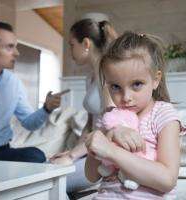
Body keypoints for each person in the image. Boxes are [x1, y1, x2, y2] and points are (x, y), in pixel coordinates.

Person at [85, 32, 186, 199]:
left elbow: (167, 180)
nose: (126, 97)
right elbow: (91, 176)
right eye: (115, 87)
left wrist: (111, 151)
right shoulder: (111, 118)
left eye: (137, 84)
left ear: (156, 80)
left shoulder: (163, 115)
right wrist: (103, 139)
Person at [0, 22, 65, 163]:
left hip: (2, 152)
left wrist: (46, 108)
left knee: (35, 155)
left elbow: (29, 123)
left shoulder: (13, 82)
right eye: (10, 47)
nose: (17, 53)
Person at [49, 18, 119, 193]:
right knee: (45, 168)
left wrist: (73, 156)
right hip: (90, 151)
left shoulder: (109, 76)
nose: (70, 51)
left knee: (49, 181)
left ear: (86, 43)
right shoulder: (90, 78)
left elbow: (109, 127)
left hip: (106, 155)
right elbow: (89, 126)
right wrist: (70, 153)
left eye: (72, 44)